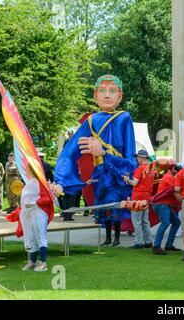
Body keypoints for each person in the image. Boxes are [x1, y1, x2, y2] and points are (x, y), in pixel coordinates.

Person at [54, 75, 137, 247]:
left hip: (117, 175)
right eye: (103, 91)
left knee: (115, 208)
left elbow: (130, 162)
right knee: (103, 209)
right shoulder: (90, 121)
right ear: (95, 96)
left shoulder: (124, 118)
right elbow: (69, 153)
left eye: (112, 91)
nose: (107, 95)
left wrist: (104, 153)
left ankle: (115, 238)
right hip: (100, 175)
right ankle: (108, 238)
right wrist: (60, 182)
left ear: (120, 96)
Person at [19, 165, 55, 272]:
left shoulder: (40, 181)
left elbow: (47, 199)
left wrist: (34, 203)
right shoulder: (30, 181)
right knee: (31, 237)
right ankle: (32, 261)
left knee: (40, 236)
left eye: (28, 168)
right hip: (29, 213)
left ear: (33, 169)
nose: (26, 170)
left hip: (39, 212)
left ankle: (43, 263)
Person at [123, 150, 155, 249]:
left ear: (141, 158)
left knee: (137, 221)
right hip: (146, 197)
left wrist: (127, 179)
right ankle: (148, 241)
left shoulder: (140, 168)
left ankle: (139, 242)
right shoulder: (151, 170)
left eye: (137, 157)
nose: (137, 159)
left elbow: (135, 183)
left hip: (137, 198)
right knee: (145, 221)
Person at [151, 164, 182, 255]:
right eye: (179, 174)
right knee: (165, 223)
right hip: (161, 204)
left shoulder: (170, 176)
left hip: (164, 205)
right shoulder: (169, 177)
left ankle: (168, 245)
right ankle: (156, 246)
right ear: (174, 171)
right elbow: (176, 193)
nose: (180, 176)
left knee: (176, 222)